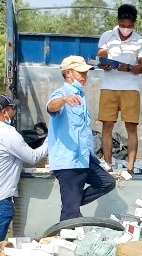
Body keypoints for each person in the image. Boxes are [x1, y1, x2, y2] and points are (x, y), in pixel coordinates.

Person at [0, 93, 48, 248]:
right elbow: (33, 157)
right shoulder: (9, 134)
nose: (13, 112)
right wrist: (49, 142)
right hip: (0, 199)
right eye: (12, 108)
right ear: (4, 112)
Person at [47, 55, 116, 221]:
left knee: (107, 182)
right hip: (69, 161)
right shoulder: (62, 93)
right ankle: (65, 240)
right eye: (81, 73)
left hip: (84, 158)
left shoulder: (81, 96)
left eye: (86, 73)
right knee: (70, 214)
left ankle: (72, 204)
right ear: (69, 73)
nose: (85, 77)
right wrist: (64, 100)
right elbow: (51, 106)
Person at [97, 4, 142, 171]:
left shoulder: (140, 41)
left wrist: (127, 67)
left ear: (134, 23)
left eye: (129, 26)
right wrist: (105, 62)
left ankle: (130, 166)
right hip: (108, 87)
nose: (126, 29)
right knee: (107, 126)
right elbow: (102, 53)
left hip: (130, 88)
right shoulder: (107, 36)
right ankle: (108, 164)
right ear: (118, 21)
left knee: (131, 127)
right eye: (123, 25)